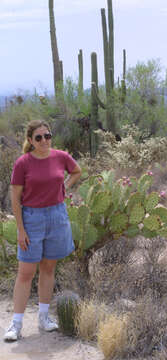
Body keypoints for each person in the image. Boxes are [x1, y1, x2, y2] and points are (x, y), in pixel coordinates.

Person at [4, 119, 81, 341]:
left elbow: (76, 171)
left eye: (47, 135)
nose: (44, 140)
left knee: (48, 268)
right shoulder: (23, 163)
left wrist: (64, 186)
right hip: (32, 219)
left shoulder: (60, 156)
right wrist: (20, 229)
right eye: (39, 137)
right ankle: (16, 324)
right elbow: (16, 199)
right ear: (30, 140)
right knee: (26, 272)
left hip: (57, 216)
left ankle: (44, 317)